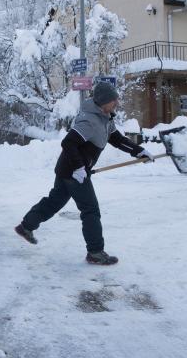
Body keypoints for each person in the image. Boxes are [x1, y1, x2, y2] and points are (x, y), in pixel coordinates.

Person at [14, 81, 154, 264]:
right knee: (90, 210)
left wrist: (138, 150)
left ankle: (26, 226)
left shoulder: (105, 118)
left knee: (54, 202)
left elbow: (117, 139)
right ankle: (95, 252)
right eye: (114, 100)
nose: (117, 103)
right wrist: (79, 168)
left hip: (68, 169)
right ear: (103, 101)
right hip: (73, 172)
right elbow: (68, 143)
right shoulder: (90, 120)